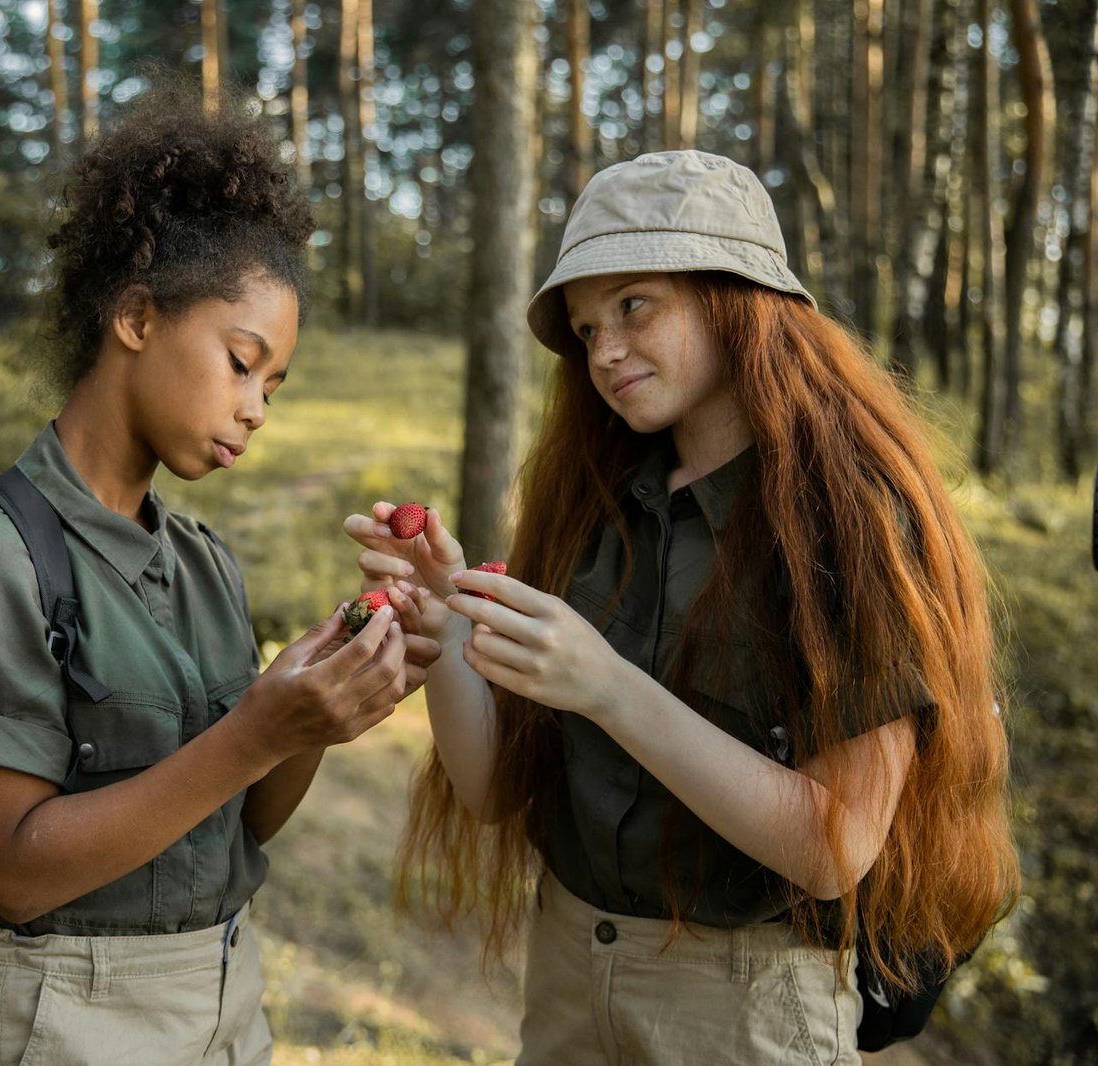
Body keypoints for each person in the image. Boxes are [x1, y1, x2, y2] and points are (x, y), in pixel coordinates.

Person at [345, 150, 1019, 1065]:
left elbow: (836, 848)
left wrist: (607, 686)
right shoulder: (593, 505)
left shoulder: (853, 521)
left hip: (742, 1009)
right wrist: (450, 631)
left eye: (635, 304)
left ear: (733, 295)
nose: (606, 351)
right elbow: (496, 790)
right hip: (568, 983)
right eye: (585, 330)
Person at [0, 86, 436, 1066]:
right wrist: (255, 730)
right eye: (240, 362)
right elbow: (12, 872)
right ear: (137, 318)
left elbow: (245, 818)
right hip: (68, 1020)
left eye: (273, 386)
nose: (257, 409)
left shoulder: (204, 563)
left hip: (228, 1005)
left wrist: (322, 705)